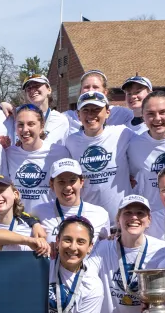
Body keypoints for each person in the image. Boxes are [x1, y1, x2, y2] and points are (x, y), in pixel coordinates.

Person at [53, 91, 132, 220]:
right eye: (85, 110)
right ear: (78, 115)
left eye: (96, 109)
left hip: (120, 222)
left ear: (107, 113)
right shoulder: (70, 141)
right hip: (87, 220)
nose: (91, 114)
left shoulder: (122, 133)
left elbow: (149, 141)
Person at [32, 159, 110, 242]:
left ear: (81, 182)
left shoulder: (100, 214)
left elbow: (106, 250)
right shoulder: (38, 212)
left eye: (72, 181)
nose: (68, 187)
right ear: (52, 184)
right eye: (61, 181)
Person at [3, 104, 57, 215]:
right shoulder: (8, 154)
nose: (25, 129)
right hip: (19, 222)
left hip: (48, 221)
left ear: (42, 127)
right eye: (20, 124)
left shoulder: (57, 152)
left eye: (31, 124)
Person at [0, 175, 48, 254]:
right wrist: (28, 240)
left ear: (16, 194)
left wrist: (34, 224)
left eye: (1, 190)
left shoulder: (29, 229)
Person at [6, 75, 71, 147]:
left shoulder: (60, 120)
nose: (32, 90)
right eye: (29, 88)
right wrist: (2, 105)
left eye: (37, 86)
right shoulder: (17, 114)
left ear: (49, 89)